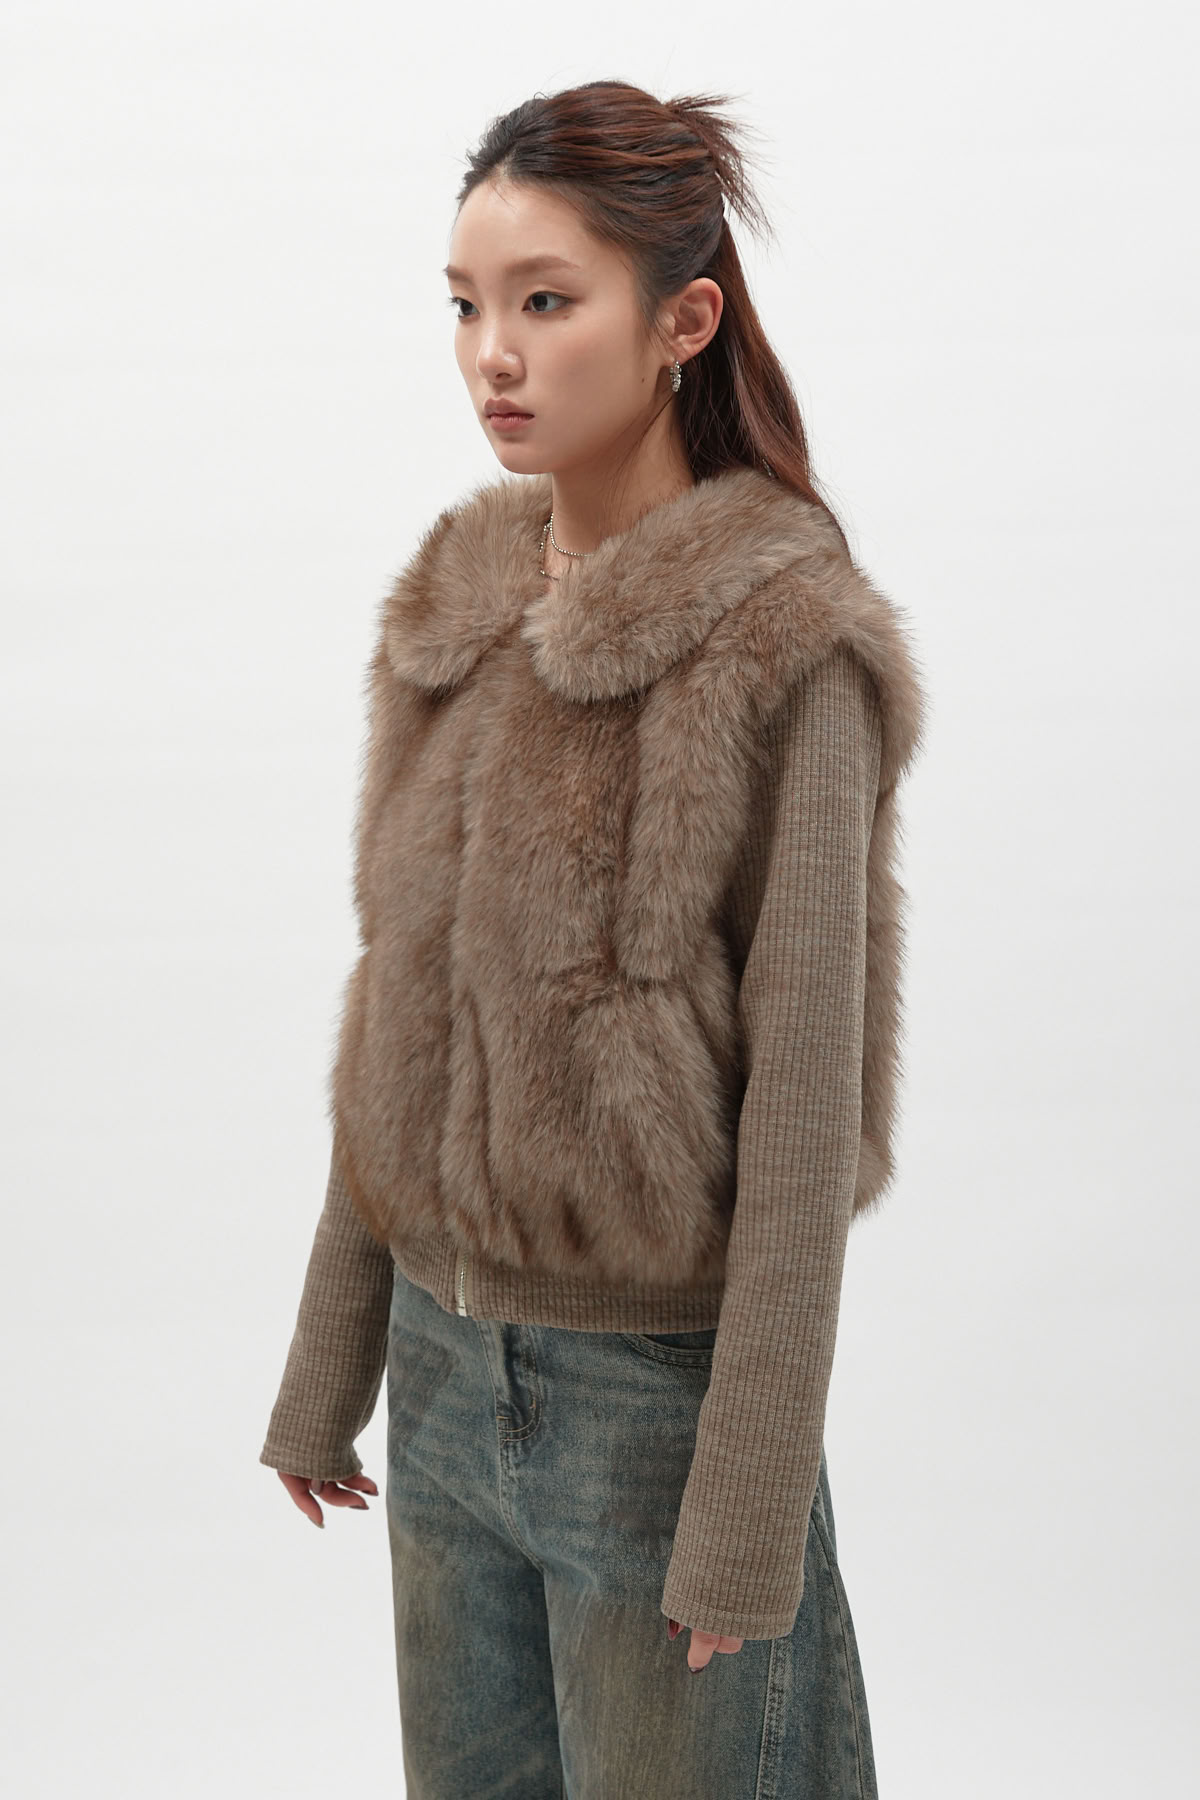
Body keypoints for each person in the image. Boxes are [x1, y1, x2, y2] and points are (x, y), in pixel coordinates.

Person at [260, 78, 927, 1799]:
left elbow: (805, 1117)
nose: (493, 354)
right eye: (466, 305)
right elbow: (396, 1012)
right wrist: (331, 1363)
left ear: (682, 322)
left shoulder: (785, 642)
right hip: (439, 1379)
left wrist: (748, 1509)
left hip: (653, 1413)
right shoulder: (456, 610)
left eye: (547, 301)